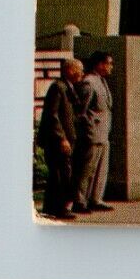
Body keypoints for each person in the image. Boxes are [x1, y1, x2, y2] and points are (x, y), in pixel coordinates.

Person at [38, 57, 83, 220]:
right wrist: (61, 138)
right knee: (60, 174)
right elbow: (52, 115)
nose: (81, 74)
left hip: (65, 140)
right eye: (80, 70)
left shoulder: (67, 87)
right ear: (70, 70)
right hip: (56, 141)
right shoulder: (58, 87)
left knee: (61, 174)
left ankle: (54, 207)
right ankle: (57, 208)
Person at [72, 52, 114, 214]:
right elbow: (81, 111)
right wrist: (88, 128)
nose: (110, 67)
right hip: (92, 133)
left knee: (100, 169)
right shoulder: (89, 83)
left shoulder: (101, 81)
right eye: (108, 63)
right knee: (86, 169)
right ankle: (79, 200)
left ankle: (95, 198)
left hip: (103, 132)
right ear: (99, 64)